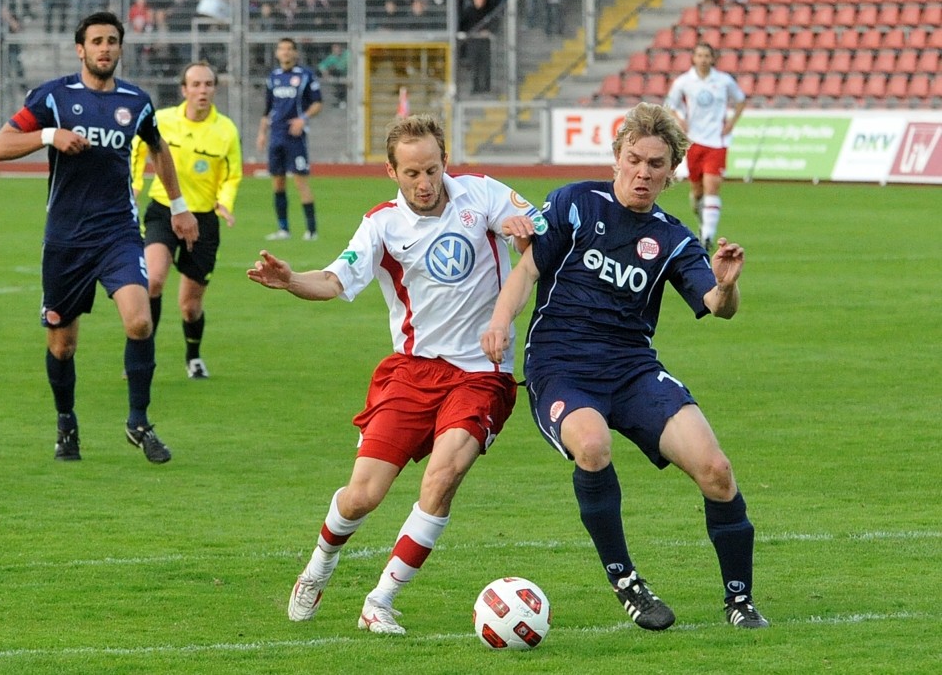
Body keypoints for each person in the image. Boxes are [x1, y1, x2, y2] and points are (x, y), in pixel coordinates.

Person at [247, 114, 540, 635]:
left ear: (445, 160)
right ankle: (318, 568)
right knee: (363, 494)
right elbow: (335, 281)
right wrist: (292, 280)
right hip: (411, 372)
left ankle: (380, 599)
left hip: (480, 374)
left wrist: (523, 237)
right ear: (391, 172)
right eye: (411, 174)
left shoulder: (484, 194)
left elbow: (538, 241)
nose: (424, 183)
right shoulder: (382, 224)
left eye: (431, 169)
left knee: (443, 475)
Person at [481, 102, 769, 631]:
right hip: (560, 365)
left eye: (656, 165)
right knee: (591, 446)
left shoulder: (675, 236)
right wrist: (501, 320)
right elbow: (527, 269)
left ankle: (740, 600)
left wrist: (727, 285)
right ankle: (627, 583)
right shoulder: (574, 203)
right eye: (634, 159)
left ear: (671, 173)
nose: (643, 172)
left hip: (633, 369)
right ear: (617, 157)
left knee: (717, 470)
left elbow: (714, 305)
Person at [0, 11, 198, 463]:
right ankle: (66, 424)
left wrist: (179, 208)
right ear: (80, 49)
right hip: (65, 241)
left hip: (117, 233)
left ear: (120, 48)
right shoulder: (54, 97)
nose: (105, 48)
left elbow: (159, 149)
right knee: (62, 345)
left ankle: (138, 422)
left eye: (112, 41)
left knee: (139, 320)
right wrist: (49, 135)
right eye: (96, 41)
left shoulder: (136, 102)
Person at [131, 61, 242, 380]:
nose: (202, 90)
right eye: (195, 84)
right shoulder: (163, 121)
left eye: (208, 84)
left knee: (190, 306)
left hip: (204, 219)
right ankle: (142, 355)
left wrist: (225, 201)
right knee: (152, 280)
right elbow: (138, 147)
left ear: (214, 89)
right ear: (184, 90)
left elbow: (233, 174)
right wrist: (135, 183)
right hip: (163, 211)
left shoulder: (226, 130)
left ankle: (193, 356)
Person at [665, 41, 746, 253]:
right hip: (694, 141)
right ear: (693, 58)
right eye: (699, 55)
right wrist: (679, 120)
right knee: (697, 192)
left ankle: (708, 235)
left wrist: (731, 122)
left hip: (717, 142)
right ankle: (703, 224)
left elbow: (740, 101)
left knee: (712, 185)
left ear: (712, 58)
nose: (703, 59)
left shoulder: (723, 81)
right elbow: (671, 104)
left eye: (706, 55)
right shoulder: (684, 82)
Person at [256, 37, 322, 241]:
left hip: (295, 137)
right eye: (281, 48)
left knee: (301, 182)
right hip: (276, 135)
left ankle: (311, 231)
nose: (285, 52)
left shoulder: (305, 76)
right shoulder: (273, 77)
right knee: (278, 183)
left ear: (295, 53)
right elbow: (268, 109)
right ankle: (283, 229)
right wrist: (262, 132)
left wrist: (303, 119)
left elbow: (317, 103)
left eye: (289, 49)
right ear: (277, 53)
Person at [317, 43, 349, 107]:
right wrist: (325, 73)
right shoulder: (332, 57)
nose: (335, 51)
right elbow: (322, 65)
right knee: (336, 76)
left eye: (337, 48)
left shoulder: (348, 54)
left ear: (341, 48)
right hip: (341, 76)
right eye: (334, 49)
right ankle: (342, 100)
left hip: (351, 73)